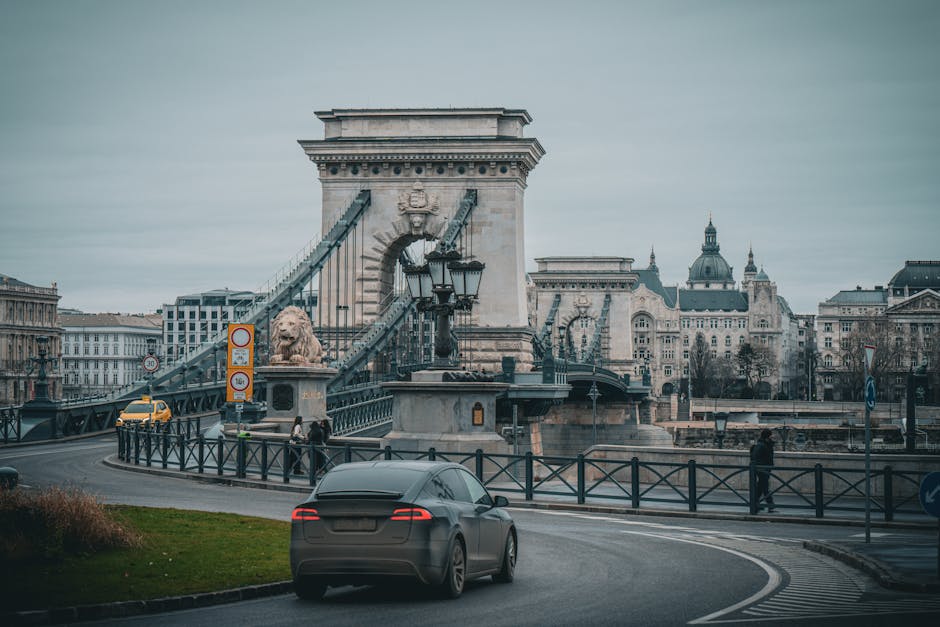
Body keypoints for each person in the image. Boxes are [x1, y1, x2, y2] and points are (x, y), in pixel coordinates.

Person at [751, 428, 775, 512]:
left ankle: (755, 504)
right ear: (768, 436)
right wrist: (761, 467)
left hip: (765, 468)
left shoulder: (766, 444)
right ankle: (770, 505)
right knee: (765, 487)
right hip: (762, 469)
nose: (773, 436)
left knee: (761, 487)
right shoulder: (761, 445)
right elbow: (755, 456)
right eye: (771, 434)